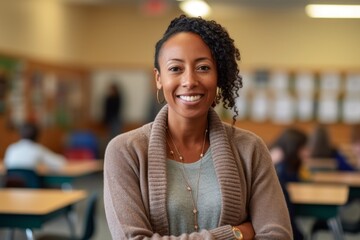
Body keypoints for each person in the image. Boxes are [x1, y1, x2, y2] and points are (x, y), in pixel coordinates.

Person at [104, 15, 292, 239]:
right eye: (175, 68)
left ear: (218, 76)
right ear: (158, 78)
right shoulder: (125, 151)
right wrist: (234, 234)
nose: (190, 80)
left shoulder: (250, 149)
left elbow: (277, 235)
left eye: (203, 67)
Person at [269, 127, 310, 240]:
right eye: (303, 148)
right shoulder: (278, 162)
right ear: (294, 147)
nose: (306, 151)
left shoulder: (288, 160)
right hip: (282, 224)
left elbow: (298, 180)